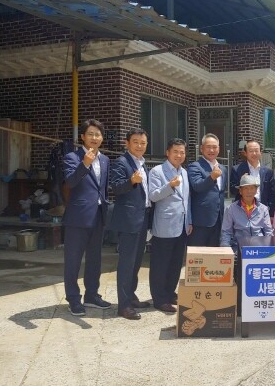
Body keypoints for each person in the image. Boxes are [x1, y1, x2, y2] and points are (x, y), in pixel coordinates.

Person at [62, 119, 111, 316]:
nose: (94, 138)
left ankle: (92, 295)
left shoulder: (106, 160)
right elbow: (70, 182)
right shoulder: (72, 157)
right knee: (73, 260)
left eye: (98, 134)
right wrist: (84, 164)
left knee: (94, 259)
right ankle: (73, 299)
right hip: (78, 217)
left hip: (98, 215)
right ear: (82, 137)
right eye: (90, 134)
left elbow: (103, 188)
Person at [109, 128, 152, 320]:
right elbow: (114, 188)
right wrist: (131, 181)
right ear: (127, 143)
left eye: (143, 143)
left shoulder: (143, 164)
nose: (140, 146)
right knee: (126, 263)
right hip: (128, 221)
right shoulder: (121, 162)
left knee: (136, 263)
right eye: (136, 142)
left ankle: (131, 296)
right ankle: (123, 305)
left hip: (142, 219)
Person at [149, 138, 192, 314]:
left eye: (182, 152)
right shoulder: (157, 171)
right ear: (168, 152)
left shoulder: (185, 172)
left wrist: (189, 220)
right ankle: (159, 299)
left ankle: (169, 292)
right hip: (164, 225)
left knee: (175, 263)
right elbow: (153, 196)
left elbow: (187, 199)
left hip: (182, 225)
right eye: (176, 152)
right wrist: (170, 186)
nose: (179, 155)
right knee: (161, 263)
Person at [187, 133, 227, 247]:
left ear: (219, 149)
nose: (211, 150)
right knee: (198, 257)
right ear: (201, 148)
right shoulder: (195, 166)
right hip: (200, 221)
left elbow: (220, 193)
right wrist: (212, 177)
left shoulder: (223, 168)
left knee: (213, 256)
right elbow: (197, 186)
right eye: (208, 147)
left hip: (218, 220)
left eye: (215, 147)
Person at [220, 174, 273, 250]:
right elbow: (226, 232)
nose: (249, 191)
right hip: (239, 250)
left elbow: (268, 232)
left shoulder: (263, 209)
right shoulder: (231, 209)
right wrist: (225, 250)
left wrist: (268, 250)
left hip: (259, 249)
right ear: (240, 191)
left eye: (252, 188)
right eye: (246, 188)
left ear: (256, 190)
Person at [230, 139, 275, 220]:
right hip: (242, 211)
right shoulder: (237, 169)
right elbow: (232, 191)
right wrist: (241, 182)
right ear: (245, 153)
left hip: (262, 212)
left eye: (256, 151)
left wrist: (272, 214)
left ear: (260, 152)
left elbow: (271, 194)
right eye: (251, 151)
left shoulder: (268, 172)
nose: (254, 153)